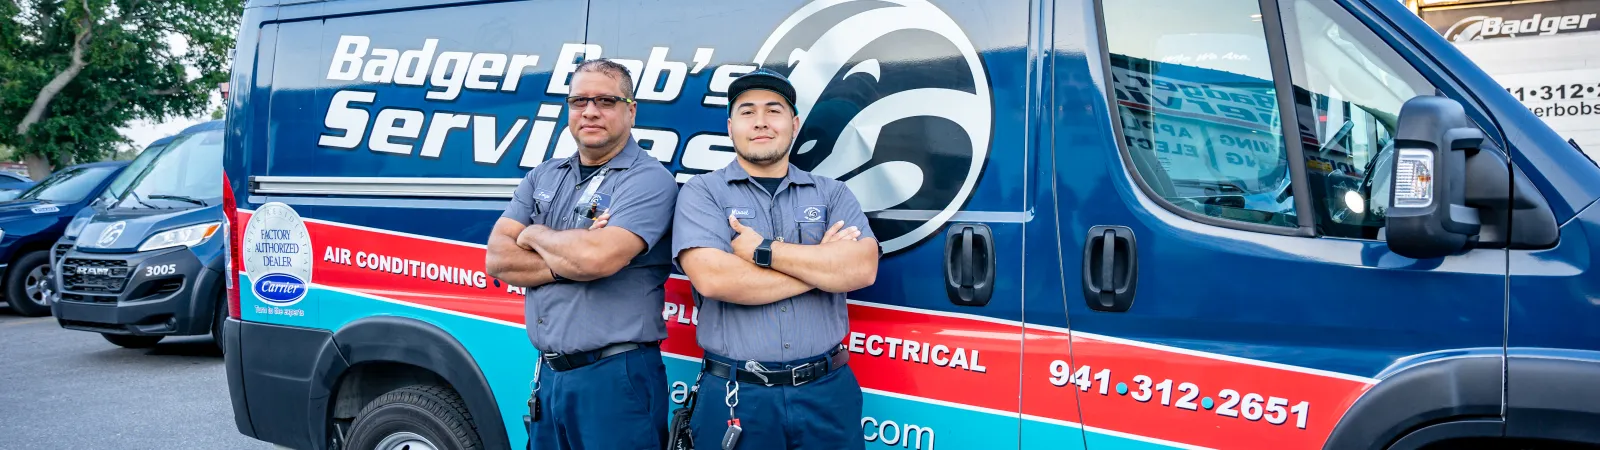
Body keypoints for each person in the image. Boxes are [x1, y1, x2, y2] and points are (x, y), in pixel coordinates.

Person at [672, 68, 881, 449]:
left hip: (827, 394)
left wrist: (762, 251)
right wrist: (823, 264)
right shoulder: (702, 192)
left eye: (774, 110)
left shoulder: (833, 194)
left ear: (794, 123)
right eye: (748, 112)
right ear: (731, 125)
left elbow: (862, 268)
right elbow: (716, 280)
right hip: (736, 395)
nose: (762, 122)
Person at [484, 58, 678, 450]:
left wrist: (535, 233)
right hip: (551, 375)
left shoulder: (649, 180)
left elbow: (596, 260)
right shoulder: (544, 175)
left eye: (605, 100)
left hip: (615, 376)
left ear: (631, 110)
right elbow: (498, 259)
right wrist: (570, 258)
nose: (590, 111)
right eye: (578, 101)